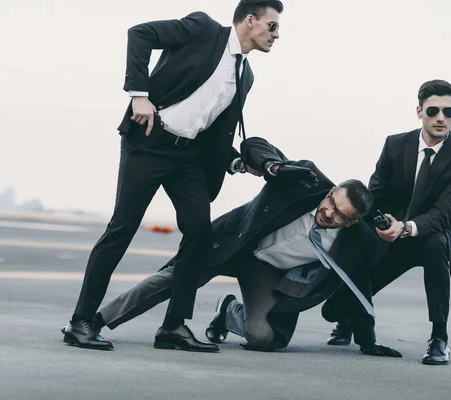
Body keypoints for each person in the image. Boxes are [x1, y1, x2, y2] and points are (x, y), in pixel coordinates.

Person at [62, 0, 299, 352]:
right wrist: (138, 94)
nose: (277, 35)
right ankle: (79, 322)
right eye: (273, 26)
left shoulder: (244, 74)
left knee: (200, 233)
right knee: (122, 228)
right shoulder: (202, 30)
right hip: (148, 142)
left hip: (187, 156)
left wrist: (236, 163)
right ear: (251, 21)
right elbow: (139, 34)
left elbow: (215, 132)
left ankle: (174, 326)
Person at [70, 137, 402, 356]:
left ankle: (228, 310)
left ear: (350, 222)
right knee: (171, 278)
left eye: (338, 217)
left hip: (268, 272)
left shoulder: (356, 242)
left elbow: (359, 284)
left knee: (263, 338)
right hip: (235, 243)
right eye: (331, 202)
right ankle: (95, 322)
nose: (327, 213)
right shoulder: (306, 179)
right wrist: (275, 167)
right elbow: (255, 145)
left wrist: (367, 342)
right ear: (332, 191)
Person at [323, 79, 451, 365]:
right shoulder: (395, 145)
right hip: (389, 233)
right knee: (335, 307)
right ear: (419, 111)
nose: (441, 118)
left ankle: (439, 338)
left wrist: (406, 228)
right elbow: (375, 195)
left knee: (435, 246)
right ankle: (347, 317)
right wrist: (382, 225)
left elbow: (445, 212)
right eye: (433, 110)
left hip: (430, 235)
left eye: (449, 112)